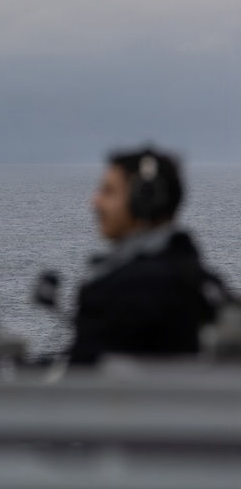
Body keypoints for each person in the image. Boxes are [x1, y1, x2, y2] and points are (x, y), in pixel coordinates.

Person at [68, 147, 223, 365]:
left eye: (108, 191)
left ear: (145, 198)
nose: (95, 201)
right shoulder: (199, 278)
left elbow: (82, 377)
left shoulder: (120, 290)